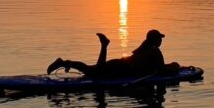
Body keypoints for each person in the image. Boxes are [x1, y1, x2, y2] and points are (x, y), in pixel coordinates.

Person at [46, 29, 181, 79]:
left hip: (120, 64)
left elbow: (158, 67)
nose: (161, 41)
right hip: (123, 70)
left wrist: (170, 65)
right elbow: (162, 69)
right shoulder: (155, 51)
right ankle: (104, 45)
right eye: (160, 39)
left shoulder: (144, 48)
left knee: (91, 70)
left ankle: (64, 62)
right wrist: (176, 67)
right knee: (95, 73)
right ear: (155, 40)